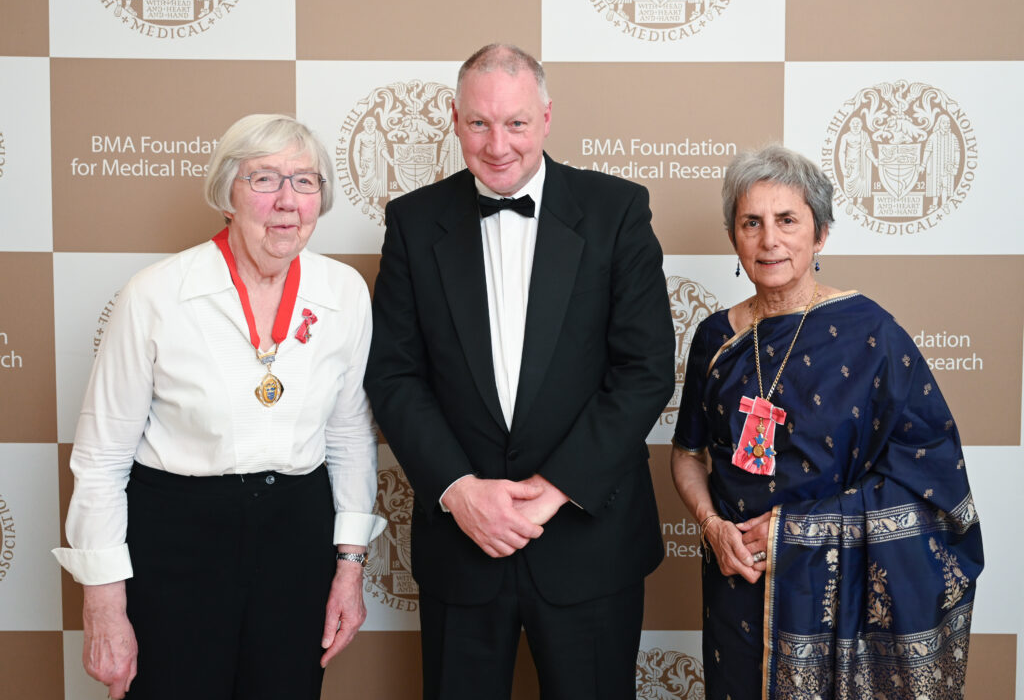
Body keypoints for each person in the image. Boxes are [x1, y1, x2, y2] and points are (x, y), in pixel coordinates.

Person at [364, 44, 675, 699]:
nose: (497, 143)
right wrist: (458, 489)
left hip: (590, 540)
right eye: (479, 123)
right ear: (454, 120)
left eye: (515, 123)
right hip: (462, 544)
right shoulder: (413, 222)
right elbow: (393, 375)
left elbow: (645, 369)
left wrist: (558, 486)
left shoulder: (618, 211)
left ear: (547, 118)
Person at [52, 114, 385, 700]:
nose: (287, 201)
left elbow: (350, 437)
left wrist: (350, 565)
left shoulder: (344, 294)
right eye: (264, 179)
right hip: (178, 539)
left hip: (296, 537)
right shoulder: (156, 294)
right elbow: (103, 458)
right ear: (226, 194)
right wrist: (104, 601)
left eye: (306, 182)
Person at [670, 144, 983, 699]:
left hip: (836, 594)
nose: (769, 240)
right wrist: (711, 526)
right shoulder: (716, 338)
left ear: (820, 234)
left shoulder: (872, 336)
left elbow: (933, 483)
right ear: (733, 238)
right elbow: (688, 454)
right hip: (735, 578)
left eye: (787, 220)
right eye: (752, 223)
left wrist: (799, 530)